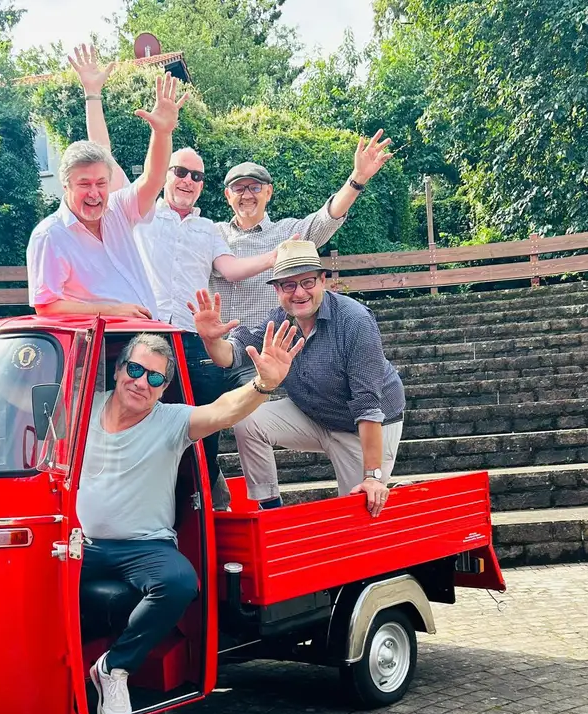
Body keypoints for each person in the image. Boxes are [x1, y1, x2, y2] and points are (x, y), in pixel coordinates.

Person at [66, 43, 278, 508]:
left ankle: (207, 493)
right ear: (166, 177)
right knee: (139, 420)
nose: (186, 180)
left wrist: (275, 257)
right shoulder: (139, 212)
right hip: (146, 339)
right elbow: (102, 157)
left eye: (197, 176)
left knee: (205, 427)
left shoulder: (208, 229)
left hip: (194, 341)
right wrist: (92, 94)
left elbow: (232, 269)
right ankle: (144, 502)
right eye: (179, 171)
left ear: (204, 185)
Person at [81, 323, 305, 714]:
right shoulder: (81, 411)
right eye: (135, 370)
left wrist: (263, 384)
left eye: (154, 378)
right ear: (118, 369)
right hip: (85, 543)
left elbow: (222, 411)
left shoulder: (170, 421)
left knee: (181, 581)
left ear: (164, 388)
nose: (141, 383)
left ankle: (114, 669)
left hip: (145, 546)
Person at [196, 240, 405, 516]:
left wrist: (373, 476)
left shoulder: (354, 320)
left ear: (322, 281)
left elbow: (368, 406)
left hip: (365, 427)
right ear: (277, 290)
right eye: (288, 285)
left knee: (360, 511)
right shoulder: (281, 319)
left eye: (307, 282)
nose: (299, 293)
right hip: (313, 413)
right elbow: (232, 355)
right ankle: (271, 510)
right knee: (247, 417)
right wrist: (211, 340)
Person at [210, 134, 396, 384]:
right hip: (210, 350)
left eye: (254, 187)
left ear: (269, 192)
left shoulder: (288, 233)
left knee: (245, 419)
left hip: (260, 355)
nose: (247, 195)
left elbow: (327, 218)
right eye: (238, 188)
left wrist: (358, 179)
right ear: (227, 194)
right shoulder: (212, 233)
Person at [25, 71, 188, 318]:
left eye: (101, 183)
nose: (94, 193)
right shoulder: (49, 236)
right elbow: (47, 307)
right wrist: (112, 312)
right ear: (66, 185)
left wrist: (163, 133)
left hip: (147, 334)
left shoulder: (119, 208)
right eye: (84, 184)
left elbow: (153, 179)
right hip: (99, 347)